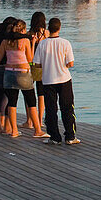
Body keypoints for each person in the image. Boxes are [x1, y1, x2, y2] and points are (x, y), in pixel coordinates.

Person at [33, 17, 77, 145]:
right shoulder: (65, 43)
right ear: (59, 28)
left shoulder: (42, 44)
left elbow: (37, 64)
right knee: (67, 108)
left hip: (48, 80)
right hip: (64, 79)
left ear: (48, 28)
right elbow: (71, 63)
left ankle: (54, 136)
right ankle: (70, 136)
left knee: (51, 109)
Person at [0, 18, 36, 138]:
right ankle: (37, 130)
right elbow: (30, 59)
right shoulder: (25, 41)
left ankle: (14, 130)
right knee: (31, 100)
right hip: (23, 72)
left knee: (12, 102)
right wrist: (33, 44)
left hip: (9, 73)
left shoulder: (5, 41)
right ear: (23, 30)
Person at [28, 12, 48, 130]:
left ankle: (30, 120)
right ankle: (40, 120)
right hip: (43, 65)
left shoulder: (30, 34)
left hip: (32, 64)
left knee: (29, 92)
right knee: (41, 94)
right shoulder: (46, 34)